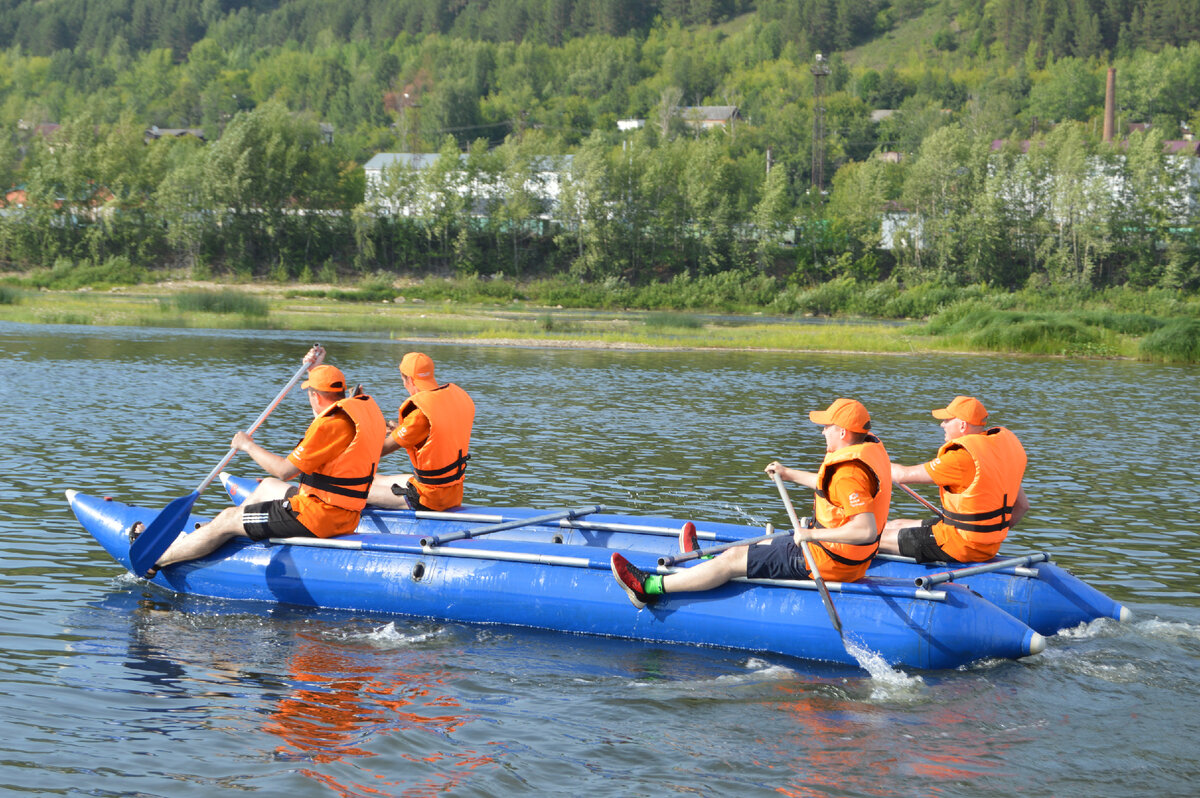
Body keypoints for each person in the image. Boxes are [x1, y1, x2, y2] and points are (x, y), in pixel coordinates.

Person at [610, 398, 892, 608]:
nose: (822, 432)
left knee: (735, 559)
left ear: (843, 432)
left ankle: (648, 587)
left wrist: (811, 533)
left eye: (827, 427)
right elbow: (832, 489)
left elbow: (864, 530)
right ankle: (710, 565)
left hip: (828, 560)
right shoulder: (863, 451)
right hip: (843, 558)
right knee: (761, 545)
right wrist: (788, 473)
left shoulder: (848, 473)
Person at [135, 347, 388, 574]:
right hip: (342, 512)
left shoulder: (329, 427)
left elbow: (284, 471)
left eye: (309, 393)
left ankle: (157, 561)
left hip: (317, 517)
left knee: (228, 517)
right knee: (266, 486)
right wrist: (313, 369)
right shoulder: (355, 412)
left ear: (315, 396)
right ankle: (209, 535)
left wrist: (248, 445)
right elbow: (323, 405)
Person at [878, 395, 1028, 563]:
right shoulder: (999, 454)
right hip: (988, 546)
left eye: (947, 420)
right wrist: (990, 536)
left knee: (867, 538)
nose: (942, 425)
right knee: (893, 525)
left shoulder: (960, 458)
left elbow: (901, 475)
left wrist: (871, 458)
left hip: (958, 545)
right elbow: (1022, 506)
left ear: (962, 425)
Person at [367, 352, 475, 511]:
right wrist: (399, 429)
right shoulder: (453, 397)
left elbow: (377, 451)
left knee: (346, 487)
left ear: (409, 379)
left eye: (403, 380)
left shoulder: (419, 415)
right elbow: (432, 434)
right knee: (373, 478)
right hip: (453, 492)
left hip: (429, 499)